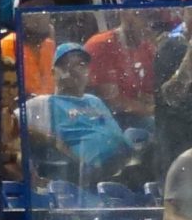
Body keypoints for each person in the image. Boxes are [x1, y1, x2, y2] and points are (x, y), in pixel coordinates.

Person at [25, 42, 138, 185]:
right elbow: (13, 125)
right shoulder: (44, 103)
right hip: (82, 173)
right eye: (67, 65)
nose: (75, 71)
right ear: (54, 72)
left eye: (81, 64)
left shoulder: (94, 101)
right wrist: (50, 140)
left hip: (123, 164)